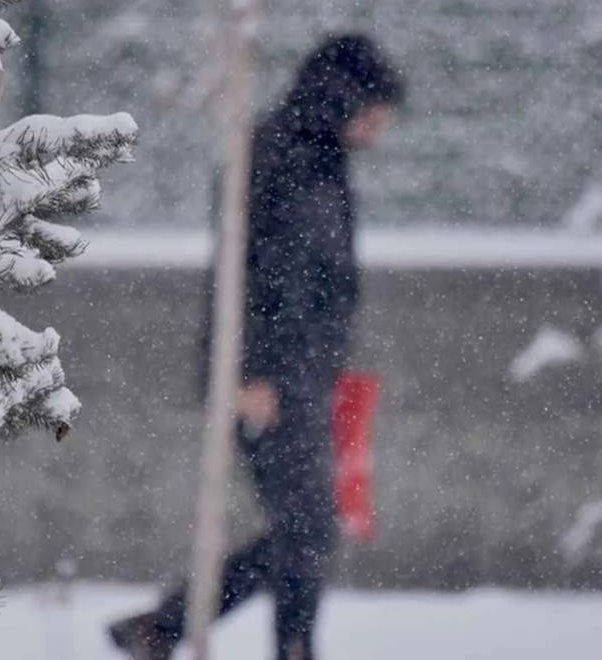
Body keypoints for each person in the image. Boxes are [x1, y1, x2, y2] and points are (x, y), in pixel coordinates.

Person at [110, 33, 404, 660]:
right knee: (309, 527)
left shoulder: (322, 162)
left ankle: (165, 629)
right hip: (266, 378)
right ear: (342, 99)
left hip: (304, 373)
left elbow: (318, 280)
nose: (378, 133)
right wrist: (247, 372)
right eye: (374, 116)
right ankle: (232, 638)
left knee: (308, 528)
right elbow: (249, 275)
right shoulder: (275, 158)